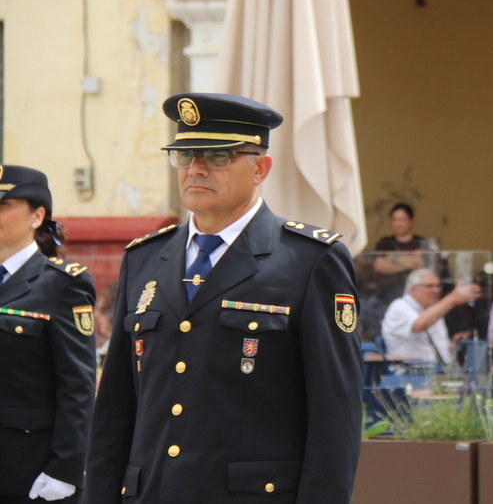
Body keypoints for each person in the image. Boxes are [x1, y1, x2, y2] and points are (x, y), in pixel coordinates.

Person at [83, 93, 363, 504]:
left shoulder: (308, 259)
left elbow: (334, 418)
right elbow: (115, 409)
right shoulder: (144, 258)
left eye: (217, 156)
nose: (196, 168)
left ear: (260, 168)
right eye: (184, 155)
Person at [0, 165, 95, 504]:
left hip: (27, 474)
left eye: (3, 205)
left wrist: (66, 469)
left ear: (37, 215)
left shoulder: (61, 283)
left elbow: (78, 386)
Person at [381, 268, 480, 368]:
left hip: (439, 371)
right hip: (409, 374)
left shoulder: (433, 310)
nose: (436, 290)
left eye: (438, 286)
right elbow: (419, 325)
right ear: (412, 289)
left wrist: (453, 346)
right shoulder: (399, 306)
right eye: (429, 286)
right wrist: (452, 299)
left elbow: (436, 347)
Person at [360, 203, 432, 337]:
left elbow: (421, 264)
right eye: (394, 219)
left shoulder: (421, 242)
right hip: (388, 294)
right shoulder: (385, 242)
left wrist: (393, 257)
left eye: (402, 219)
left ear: (411, 221)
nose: (398, 223)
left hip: (416, 295)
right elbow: (380, 266)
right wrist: (409, 261)